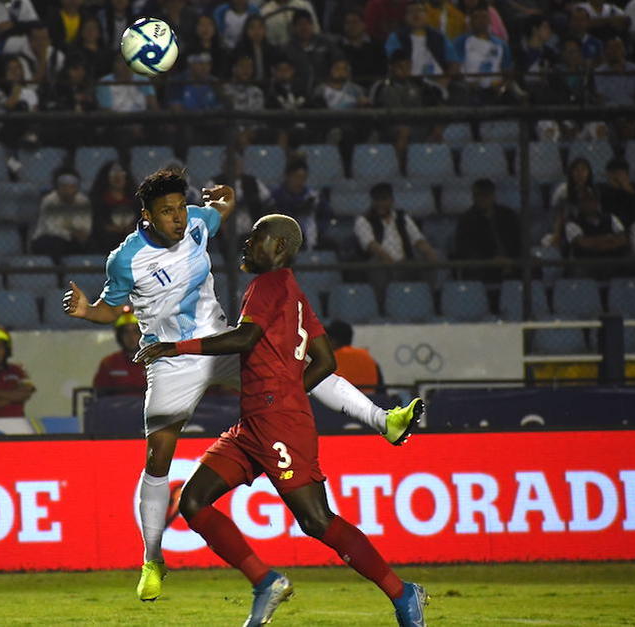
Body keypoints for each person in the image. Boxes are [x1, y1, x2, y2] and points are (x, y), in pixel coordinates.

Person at [61, 169, 423, 602]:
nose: (177, 218)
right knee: (158, 459)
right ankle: (152, 558)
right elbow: (110, 307)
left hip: (218, 341)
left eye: (180, 208)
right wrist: (87, 310)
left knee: (290, 368)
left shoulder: (198, 221)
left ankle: (384, 420)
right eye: (166, 212)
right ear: (147, 216)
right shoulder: (125, 259)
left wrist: (226, 197)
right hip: (170, 362)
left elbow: (221, 208)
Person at [132, 214, 427, 627]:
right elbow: (325, 360)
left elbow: (244, 338)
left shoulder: (268, 285)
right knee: (193, 500)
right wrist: (288, 388)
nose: (247, 243)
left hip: (278, 424)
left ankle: (402, 592)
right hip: (254, 424)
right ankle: (265, 581)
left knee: (317, 520)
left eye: (257, 238)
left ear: (280, 247)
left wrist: (175, 348)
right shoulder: (294, 292)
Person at [354, 182, 438, 299]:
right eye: (377, 200)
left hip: (405, 261)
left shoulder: (402, 217)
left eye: (384, 199)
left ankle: (430, 297)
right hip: (382, 263)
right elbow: (371, 245)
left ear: (391, 200)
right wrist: (389, 260)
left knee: (431, 258)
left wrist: (429, 251)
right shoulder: (363, 220)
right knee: (377, 265)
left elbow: (417, 239)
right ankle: (383, 303)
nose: (380, 203)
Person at [454, 178, 522, 282]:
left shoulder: (508, 215)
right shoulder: (467, 220)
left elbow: (519, 241)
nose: (482, 199)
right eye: (478, 196)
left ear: (493, 196)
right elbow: (465, 249)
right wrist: (490, 260)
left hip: (511, 261)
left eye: (485, 195)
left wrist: (510, 259)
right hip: (485, 265)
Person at [30, 166, 93, 258]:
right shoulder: (49, 201)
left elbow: (86, 227)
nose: (68, 190)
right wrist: (72, 232)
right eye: (64, 186)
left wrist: (79, 233)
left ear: (77, 188)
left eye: (71, 187)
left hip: (74, 240)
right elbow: (52, 229)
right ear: (57, 187)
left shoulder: (83, 202)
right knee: (55, 244)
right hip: (49, 239)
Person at [92, 305, 147, 396]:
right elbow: (99, 395)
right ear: (119, 336)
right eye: (126, 332)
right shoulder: (109, 363)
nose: (131, 337)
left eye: (135, 332)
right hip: (116, 405)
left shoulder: (152, 362)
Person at [88, 160, 138, 254]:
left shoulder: (136, 200)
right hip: (105, 242)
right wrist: (109, 228)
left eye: (121, 175)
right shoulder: (97, 200)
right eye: (114, 176)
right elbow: (96, 223)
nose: (118, 179)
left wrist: (132, 228)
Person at [326, 319, 385, 394]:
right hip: (370, 399)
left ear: (333, 341)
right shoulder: (367, 357)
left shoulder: (331, 360)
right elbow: (381, 390)